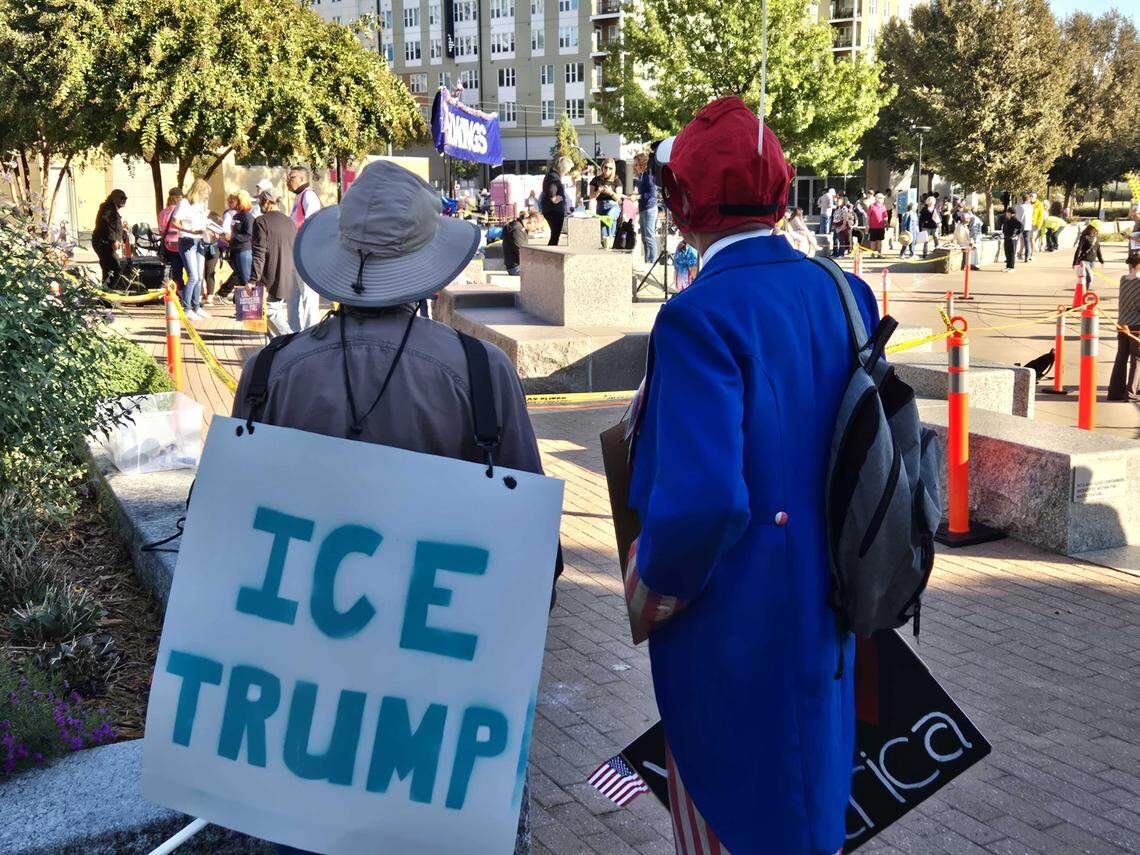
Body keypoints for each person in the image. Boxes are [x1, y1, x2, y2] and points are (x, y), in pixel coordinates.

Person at [232, 160, 555, 855]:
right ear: (427, 267)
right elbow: (534, 556)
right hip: (436, 714)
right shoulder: (479, 374)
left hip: (305, 710)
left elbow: (231, 539)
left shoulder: (272, 374)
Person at [627, 95, 877, 855]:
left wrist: (650, 591)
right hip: (825, 614)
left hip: (734, 636)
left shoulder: (697, 315)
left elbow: (701, 502)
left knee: (730, 823)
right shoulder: (846, 293)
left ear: (684, 205)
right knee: (808, 815)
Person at [246, 190, 297, 336]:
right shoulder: (289, 221)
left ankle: (292, 339)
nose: (260, 205)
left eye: (261, 202)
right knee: (271, 317)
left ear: (268, 202)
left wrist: (252, 280)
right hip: (287, 274)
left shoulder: (261, 221)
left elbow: (258, 253)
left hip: (271, 276)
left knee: (270, 311)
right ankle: (274, 352)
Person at [286, 166, 323, 330]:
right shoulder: (298, 197)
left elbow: (312, 224)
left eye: (292, 177)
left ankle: (310, 332)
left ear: (302, 179)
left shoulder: (308, 196)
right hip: (295, 254)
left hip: (305, 255)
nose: (289, 180)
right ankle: (294, 334)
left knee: (308, 297)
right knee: (292, 297)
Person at [171, 179, 212, 320]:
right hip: (187, 240)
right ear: (197, 191)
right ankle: (186, 307)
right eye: (203, 193)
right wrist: (188, 230)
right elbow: (174, 222)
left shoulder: (200, 205)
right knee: (193, 276)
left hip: (199, 239)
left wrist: (209, 229)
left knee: (200, 276)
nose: (204, 197)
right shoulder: (184, 203)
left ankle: (197, 306)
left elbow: (202, 222)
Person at [1108, 251, 1140, 402]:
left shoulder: (1123, 279)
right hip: (1136, 326)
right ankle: (1132, 393)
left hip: (1122, 324)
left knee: (1121, 358)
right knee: (1137, 359)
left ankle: (1114, 392)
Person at [91, 189, 128, 289]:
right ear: (113, 197)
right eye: (122, 197)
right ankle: (107, 295)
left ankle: (106, 296)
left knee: (109, 269)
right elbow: (105, 225)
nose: (124, 200)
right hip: (103, 243)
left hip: (105, 243)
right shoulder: (108, 208)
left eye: (125, 198)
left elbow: (114, 226)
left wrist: (124, 235)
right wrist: (113, 240)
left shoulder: (111, 209)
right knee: (114, 268)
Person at [590, 158, 624, 249]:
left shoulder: (617, 181)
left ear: (613, 169)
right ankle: (606, 245)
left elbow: (618, 198)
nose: (607, 170)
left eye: (610, 168)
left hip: (613, 205)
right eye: (605, 167)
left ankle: (611, 239)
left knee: (609, 217)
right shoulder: (596, 180)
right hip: (600, 206)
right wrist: (598, 191)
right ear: (602, 167)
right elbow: (591, 196)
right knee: (603, 230)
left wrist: (610, 192)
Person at [633, 151, 659, 265]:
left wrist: (638, 196)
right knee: (644, 237)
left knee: (649, 236)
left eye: (636, 164)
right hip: (643, 208)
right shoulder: (642, 175)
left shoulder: (648, 175)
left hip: (649, 208)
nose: (635, 166)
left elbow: (652, 194)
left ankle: (652, 261)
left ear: (642, 164)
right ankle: (647, 260)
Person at [227, 190, 256, 289]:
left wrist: (232, 236)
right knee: (239, 279)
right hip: (234, 250)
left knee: (245, 279)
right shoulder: (235, 216)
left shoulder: (247, 216)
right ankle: (240, 302)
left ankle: (251, 302)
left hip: (244, 250)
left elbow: (249, 235)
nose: (232, 203)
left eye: (235, 200)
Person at [156, 188, 184, 288]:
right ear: (179, 198)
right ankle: (186, 294)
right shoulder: (181, 211)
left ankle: (178, 291)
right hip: (182, 242)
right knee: (190, 272)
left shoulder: (162, 213)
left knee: (176, 271)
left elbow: (161, 230)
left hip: (169, 244)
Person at [541, 156, 571, 246]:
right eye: (567, 170)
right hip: (554, 210)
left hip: (552, 209)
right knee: (555, 236)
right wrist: (554, 198)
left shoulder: (551, 175)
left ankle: (551, 253)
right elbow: (551, 190)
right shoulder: (553, 176)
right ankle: (550, 255)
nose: (567, 172)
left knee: (555, 235)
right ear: (563, 168)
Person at [1073, 220, 1104, 287]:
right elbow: (1079, 249)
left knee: (1088, 277)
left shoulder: (1096, 238)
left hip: (1093, 261)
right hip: (1084, 260)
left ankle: (1084, 289)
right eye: (1096, 230)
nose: (1097, 231)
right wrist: (1075, 262)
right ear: (1092, 228)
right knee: (1090, 277)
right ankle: (1086, 291)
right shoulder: (1084, 237)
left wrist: (1101, 260)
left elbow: (1098, 249)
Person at [501, 211, 528, 275]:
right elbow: (519, 250)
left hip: (514, 265)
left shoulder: (518, 227)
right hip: (516, 267)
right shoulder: (517, 229)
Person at [1001, 205, 1023, 272]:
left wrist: (1017, 234)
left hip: (1012, 238)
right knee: (1007, 252)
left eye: (1007, 212)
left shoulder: (1014, 219)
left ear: (1011, 213)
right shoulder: (1008, 219)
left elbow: (1021, 226)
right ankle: (1008, 266)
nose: (1006, 213)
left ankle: (1012, 267)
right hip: (1006, 237)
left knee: (1011, 253)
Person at [1016, 193, 1034, 262]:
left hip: (1021, 225)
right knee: (1027, 241)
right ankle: (1027, 256)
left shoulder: (1019, 207)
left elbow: (1019, 217)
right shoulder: (1031, 207)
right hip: (1028, 225)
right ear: (1028, 199)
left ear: (1022, 199)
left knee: (1017, 240)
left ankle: (1017, 254)